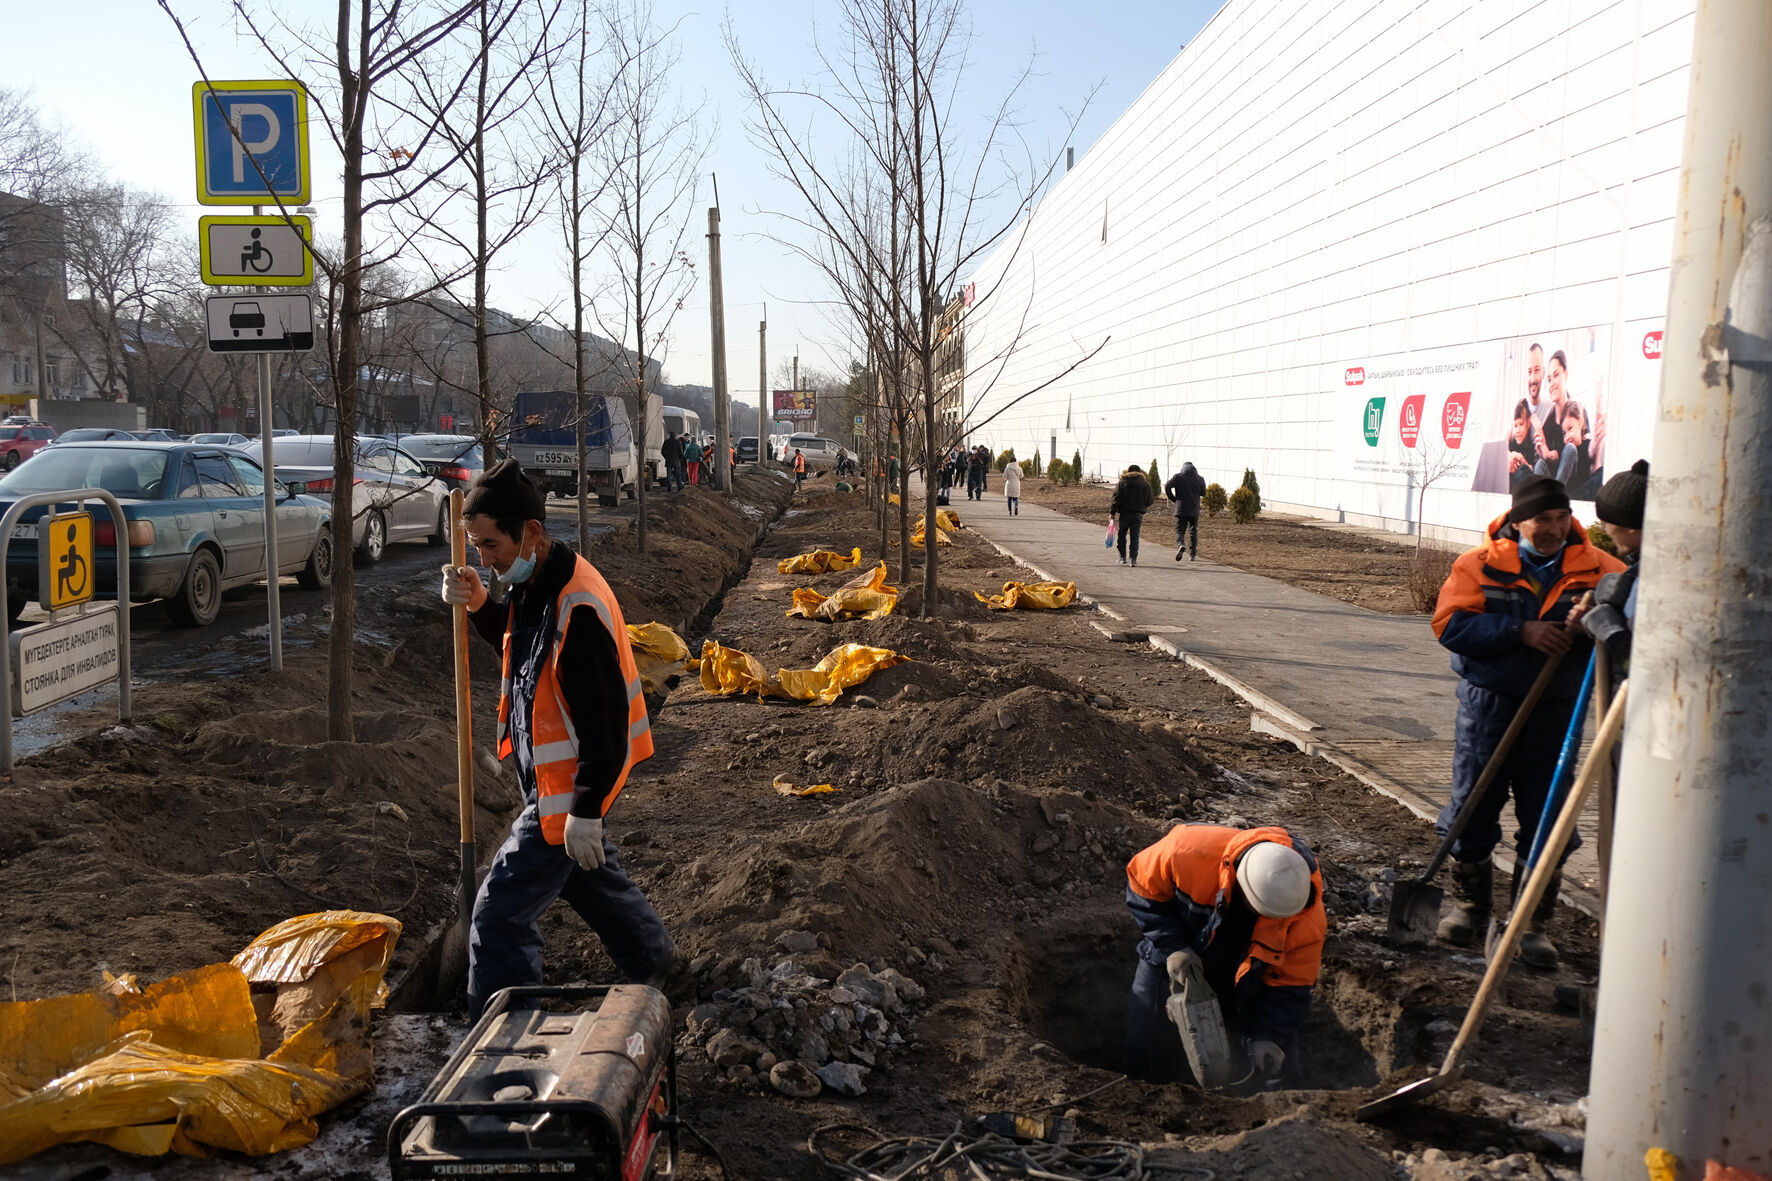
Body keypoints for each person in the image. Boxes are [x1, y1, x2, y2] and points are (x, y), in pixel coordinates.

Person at [439, 459, 675, 1019]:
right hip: (552, 781)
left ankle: (504, 1026)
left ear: (532, 533)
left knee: (497, 914)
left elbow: (605, 725)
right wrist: (479, 603)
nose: (484, 559)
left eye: (491, 545)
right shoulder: (536, 580)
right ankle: (654, 959)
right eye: (475, 546)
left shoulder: (578, 606)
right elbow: (521, 650)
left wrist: (585, 808)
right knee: (585, 877)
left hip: (567, 787)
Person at [1430, 474, 1624, 967]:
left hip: (1558, 709)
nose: (1556, 528)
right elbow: (1450, 625)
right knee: (1473, 804)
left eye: (1563, 518)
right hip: (1489, 705)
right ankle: (1470, 906)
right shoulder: (1478, 566)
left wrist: (1591, 627)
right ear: (1519, 521)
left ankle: (1532, 921)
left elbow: (1630, 627)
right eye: (1544, 520)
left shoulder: (1602, 571)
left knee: (1548, 813)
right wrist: (1521, 630)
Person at [1124, 825, 1326, 1085]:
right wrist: (1173, 946)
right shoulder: (1187, 852)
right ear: (1242, 887)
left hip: (1245, 980)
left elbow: (1291, 985)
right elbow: (1141, 885)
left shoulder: (1306, 919)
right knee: (1146, 1041)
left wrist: (1268, 1035)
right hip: (1172, 959)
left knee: (1274, 1069)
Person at [1580, 459, 1648, 689]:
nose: (1605, 531)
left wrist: (1612, 633)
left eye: (1606, 523)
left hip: (1641, 714)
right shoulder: (1638, 573)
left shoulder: (1656, 584)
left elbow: (1652, 670)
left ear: (1630, 525)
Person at [1110, 463, 1154, 566]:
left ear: (1128, 471)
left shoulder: (1123, 482)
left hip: (1125, 513)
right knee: (1135, 537)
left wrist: (1112, 512)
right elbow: (1150, 500)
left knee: (1122, 535)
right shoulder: (1145, 484)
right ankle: (1133, 559)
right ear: (1140, 472)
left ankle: (1122, 557)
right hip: (1138, 514)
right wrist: (1143, 505)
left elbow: (1116, 498)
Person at [1164, 461, 1207, 561]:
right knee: (1193, 531)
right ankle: (1192, 554)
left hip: (1181, 508)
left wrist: (1173, 499)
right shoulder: (1200, 478)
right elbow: (1204, 493)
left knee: (1180, 530)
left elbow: (1167, 486)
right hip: (1194, 509)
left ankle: (1181, 545)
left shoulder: (1178, 477)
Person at [1505, 399, 1537, 489]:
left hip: (1526, 482)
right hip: (1512, 481)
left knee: (1524, 470)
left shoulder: (1531, 442)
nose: (1518, 431)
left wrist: (1522, 460)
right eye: (1515, 426)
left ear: (1528, 422)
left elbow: (1534, 470)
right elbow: (1503, 446)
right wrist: (1510, 457)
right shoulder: (1512, 443)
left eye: (1521, 424)